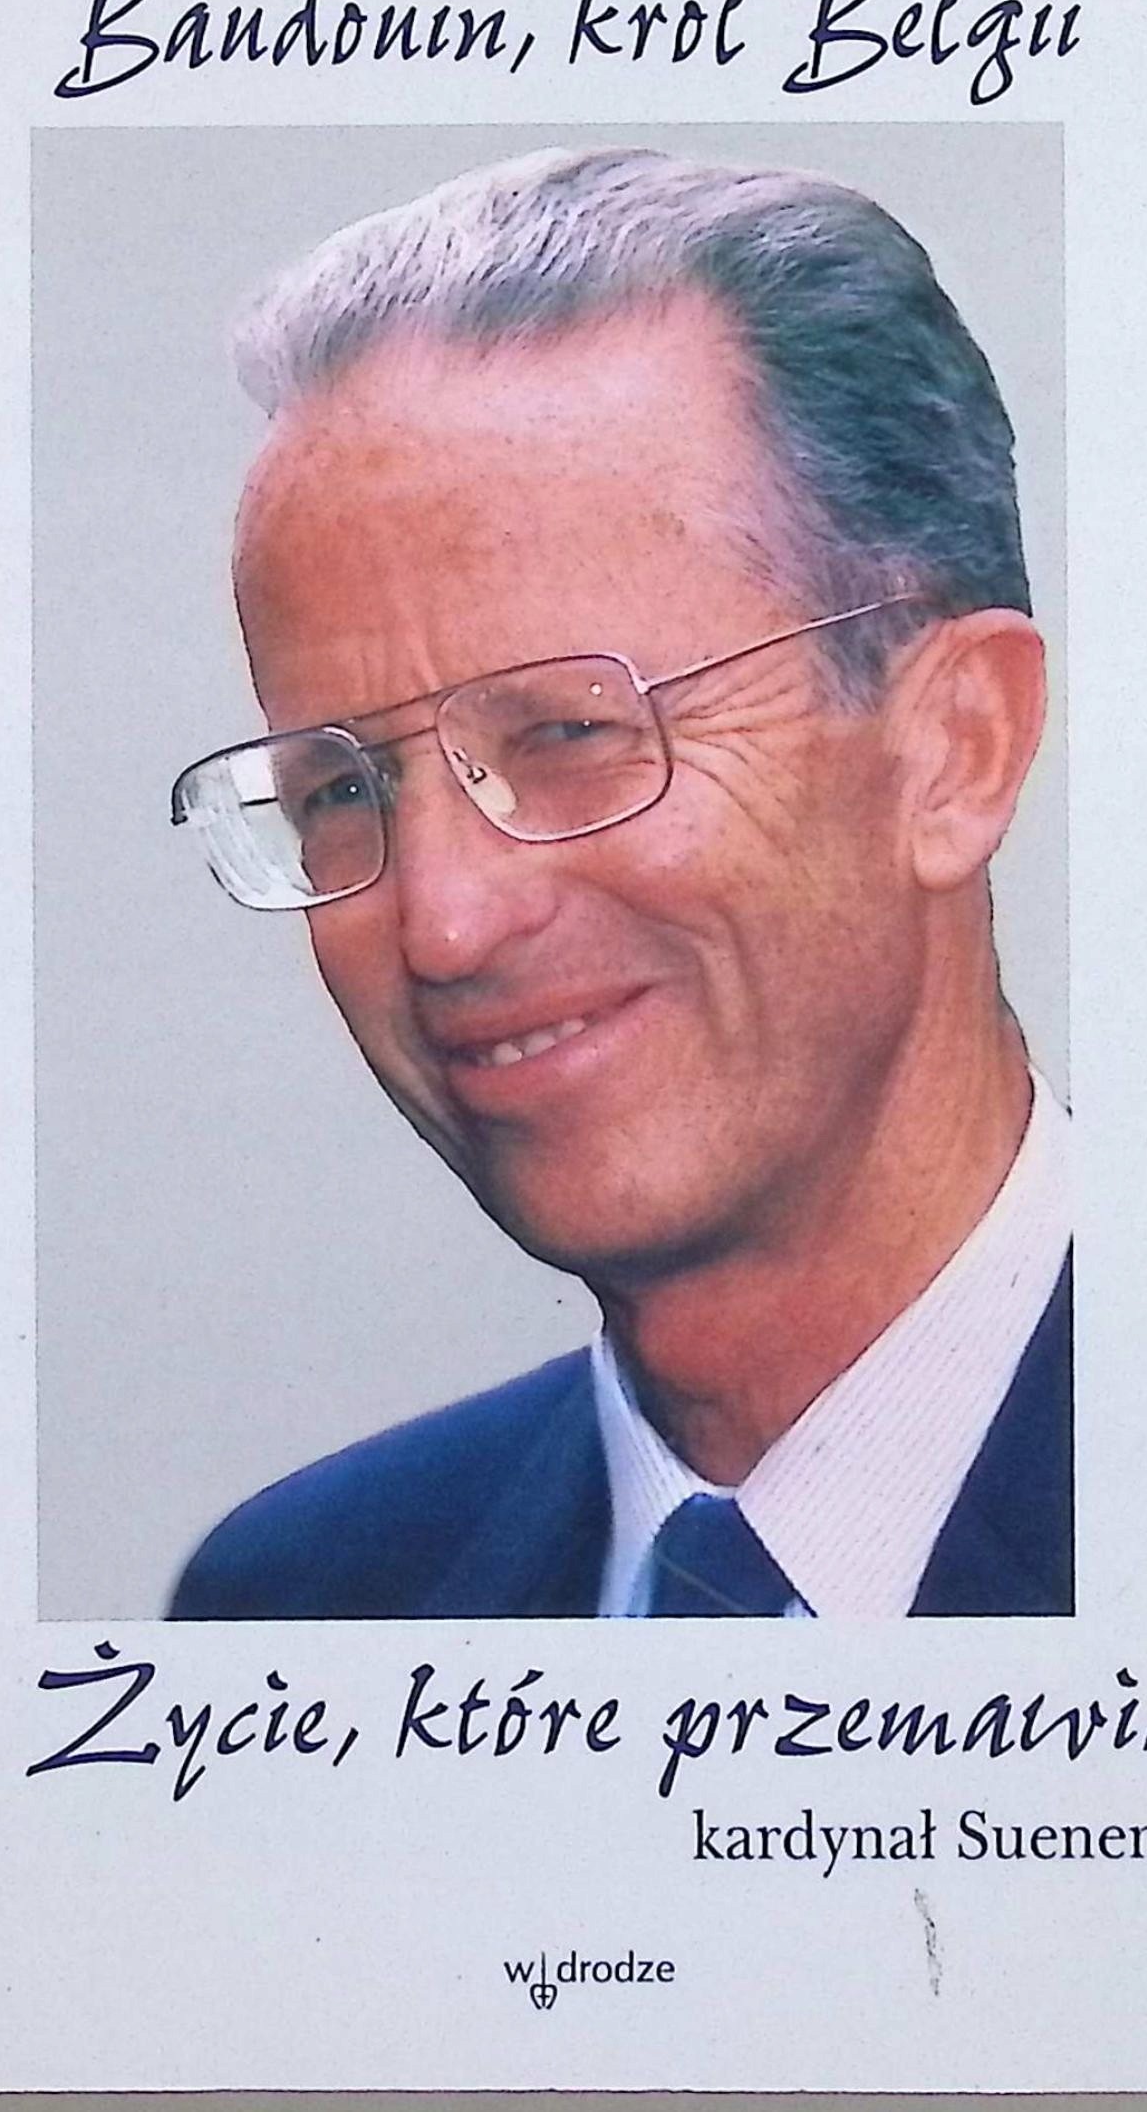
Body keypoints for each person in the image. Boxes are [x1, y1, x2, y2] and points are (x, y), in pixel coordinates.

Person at [168, 146, 1070, 1621]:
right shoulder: (302, 1600)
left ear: (952, 748)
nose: (446, 922)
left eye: (571, 734)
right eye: (343, 789)